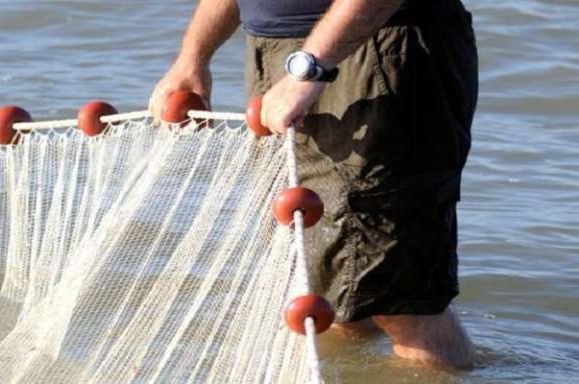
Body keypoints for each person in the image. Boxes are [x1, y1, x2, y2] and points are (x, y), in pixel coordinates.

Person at [148, 0, 477, 371]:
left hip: (373, 47)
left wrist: (310, 67)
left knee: (399, 300)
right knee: (327, 284)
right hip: (282, 57)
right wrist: (193, 56)